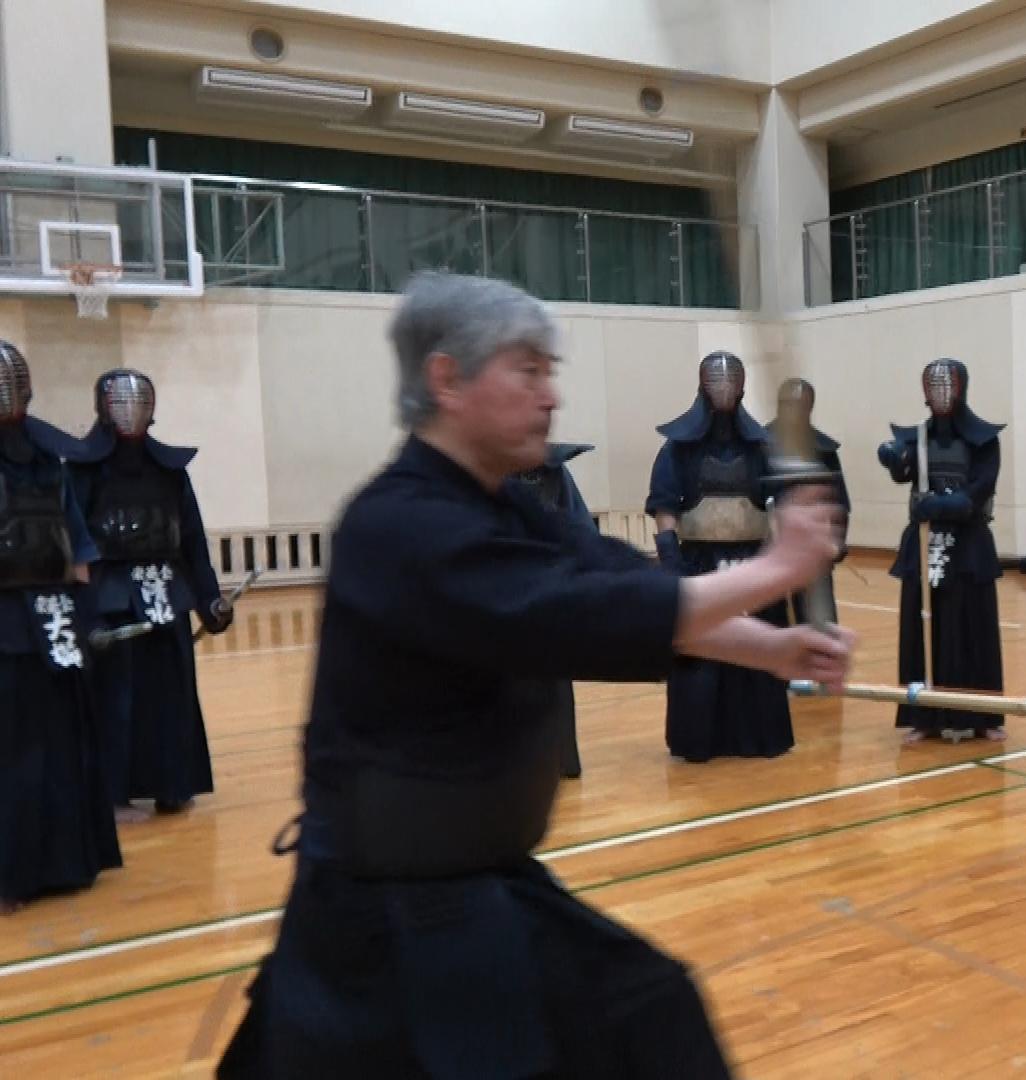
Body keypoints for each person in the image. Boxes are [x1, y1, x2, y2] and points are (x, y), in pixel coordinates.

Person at [219, 273, 850, 1079]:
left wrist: (773, 649)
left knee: (654, 1016)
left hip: (481, 885)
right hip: (382, 925)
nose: (551, 396)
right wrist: (777, 568)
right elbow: (574, 615)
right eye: (528, 371)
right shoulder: (398, 525)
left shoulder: (505, 508)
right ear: (447, 379)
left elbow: (621, 580)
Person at [67, 368, 231, 819]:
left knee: (170, 693)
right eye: (120, 401)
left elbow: (191, 541)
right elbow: (72, 544)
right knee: (115, 696)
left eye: (138, 401)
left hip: (166, 592)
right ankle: (112, 789)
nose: (130, 410)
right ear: (103, 407)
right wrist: (79, 614)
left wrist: (208, 600)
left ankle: (173, 783)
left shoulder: (170, 472)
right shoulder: (81, 471)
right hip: (110, 598)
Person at [0, 341, 121, 913]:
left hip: (52, 621)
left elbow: (78, 551)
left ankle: (64, 862)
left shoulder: (49, 460)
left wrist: (82, 618)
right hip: (6, 627)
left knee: (57, 746)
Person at [647, 352, 797, 762]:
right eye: (717, 381)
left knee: (756, 652)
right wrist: (672, 562)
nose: (724, 388)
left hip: (752, 562)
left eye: (732, 381)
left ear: (742, 387)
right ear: (702, 386)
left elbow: (782, 504)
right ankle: (699, 740)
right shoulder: (677, 450)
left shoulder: (762, 448)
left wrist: (778, 560)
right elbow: (665, 508)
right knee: (702, 653)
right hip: (698, 562)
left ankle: (757, 737)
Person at [877, 358, 1006, 742]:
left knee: (971, 627)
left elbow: (979, 489)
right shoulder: (917, 438)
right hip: (925, 541)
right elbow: (903, 472)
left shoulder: (984, 441)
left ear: (962, 388)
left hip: (968, 547)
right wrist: (892, 457)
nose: (941, 394)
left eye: (947, 385)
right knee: (922, 627)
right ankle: (924, 716)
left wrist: (942, 505)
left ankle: (982, 715)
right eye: (933, 387)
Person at [511, 441, 597, 778]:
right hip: (503, 590)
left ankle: (561, 760)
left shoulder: (555, 473)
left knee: (554, 678)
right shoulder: (484, 469)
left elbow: (580, 529)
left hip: (548, 589)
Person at [766, 377, 849, 626]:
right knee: (773, 623)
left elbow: (839, 502)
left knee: (819, 625)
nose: (793, 410)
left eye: (800, 404)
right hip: (770, 553)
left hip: (813, 551)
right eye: (788, 404)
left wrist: (836, 542)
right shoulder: (760, 445)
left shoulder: (823, 451)